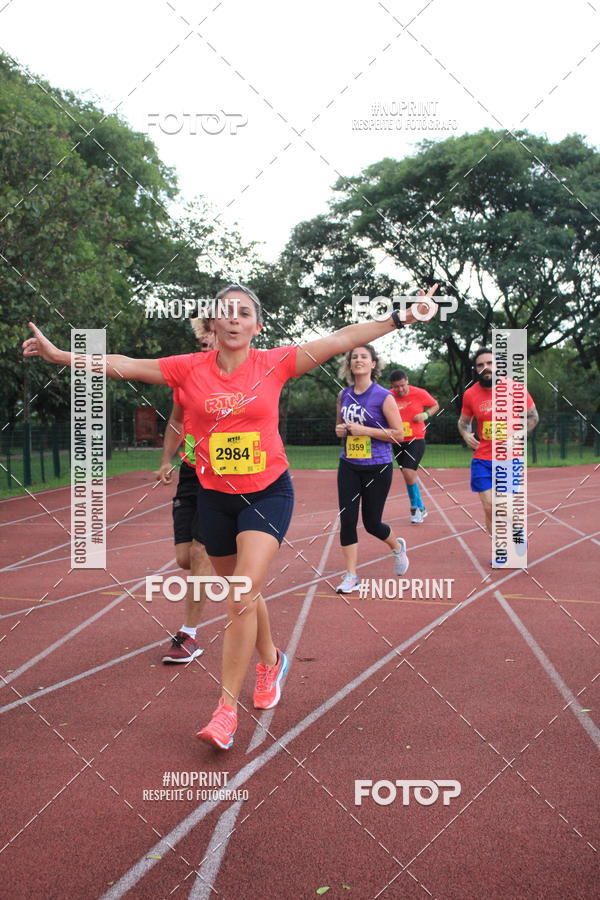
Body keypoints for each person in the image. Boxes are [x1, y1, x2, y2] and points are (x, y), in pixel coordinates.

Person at [23, 281, 438, 750]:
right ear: (214, 324)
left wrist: (401, 317)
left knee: (240, 595)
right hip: (213, 496)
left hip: (267, 493)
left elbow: (342, 338)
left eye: (245, 312)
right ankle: (271, 661)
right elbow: (123, 366)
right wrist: (63, 358)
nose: (235, 318)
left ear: (256, 326)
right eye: (226, 312)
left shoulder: (276, 362)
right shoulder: (188, 368)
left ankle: (225, 710)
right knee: (241, 591)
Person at [153, 321, 215, 663]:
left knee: (201, 550)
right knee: (184, 558)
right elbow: (177, 421)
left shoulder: (241, 376)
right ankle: (223, 554)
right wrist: (166, 460)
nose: (205, 349)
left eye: (211, 343)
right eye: (201, 344)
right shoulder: (186, 378)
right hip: (191, 471)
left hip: (222, 475)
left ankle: (188, 634)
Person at [334, 345, 408, 593]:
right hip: (349, 465)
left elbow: (399, 434)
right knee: (347, 519)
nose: (358, 360)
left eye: (363, 357)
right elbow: (341, 426)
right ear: (349, 363)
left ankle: (397, 546)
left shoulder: (383, 396)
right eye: (354, 357)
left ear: (373, 364)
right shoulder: (343, 395)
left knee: (372, 523)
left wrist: (365, 431)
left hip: (377, 466)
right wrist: (340, 431)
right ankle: (351, 575)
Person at [458, 347, 538, 538]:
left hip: (509, 458)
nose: (485, 368)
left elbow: (533, 417)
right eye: (480, 365)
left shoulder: (516, 388)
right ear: (476, 369)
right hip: (482, 458)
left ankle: (517, 533)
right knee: (489, 507)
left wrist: (517, 436)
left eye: (490, 363)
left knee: (503, 506)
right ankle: (499, 550)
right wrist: (465, 434)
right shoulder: (470, 394)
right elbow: (463, 422)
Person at [389, 370, 439, 523]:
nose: (400, 390)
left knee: (409, 471)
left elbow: (435, 405)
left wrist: (425, 415)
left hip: (416, 438)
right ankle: (421, 507)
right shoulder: (388, 396)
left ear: (407, 380)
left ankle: (414, 508)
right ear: (392, 386)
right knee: (406, 473)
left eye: (403, 385)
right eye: (396, 387)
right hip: (397, 440)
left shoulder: (420, 393)